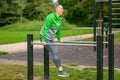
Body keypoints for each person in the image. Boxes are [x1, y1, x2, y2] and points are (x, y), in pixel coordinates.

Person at [40, 4, 70, 77]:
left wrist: (59, 38)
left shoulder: (60, 18)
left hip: (51, 38)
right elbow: (46, 28)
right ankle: (61, 71)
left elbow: (58, 29)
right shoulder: (50, 17)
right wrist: (43, 40)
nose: (62, 10)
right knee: (54, 53)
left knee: (56, 53)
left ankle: (61, 71)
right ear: (56, 9)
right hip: (44, 37)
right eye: (61, 9)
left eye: (62, 9)